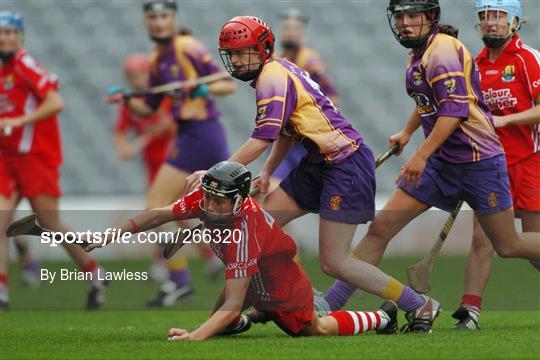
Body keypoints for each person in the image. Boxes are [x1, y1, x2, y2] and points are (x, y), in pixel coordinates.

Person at [186, 16, 441, 333]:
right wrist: (267, 171)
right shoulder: (275, 72)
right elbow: (286, 131)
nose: (236, 61)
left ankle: (420, 305)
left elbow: (262, 137)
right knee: (252, 230)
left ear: (264, 49)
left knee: (334, 261)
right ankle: (227, 318)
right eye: (232, 54)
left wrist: (214, 171)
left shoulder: (272, 78)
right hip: (316, 163)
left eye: (243, 52)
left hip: (344, 164)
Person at [322, 0, 540, 318]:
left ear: (431, 18)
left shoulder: (444, 51)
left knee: (507, 245)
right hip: (441, 164)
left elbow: (455, 110)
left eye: (413, 16)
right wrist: (407, 132)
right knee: (381, 228)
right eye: (400, 18)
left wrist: (419, 155)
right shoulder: (419, 55)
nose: (405, 24)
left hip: (480, 163)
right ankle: (329, 305)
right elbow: (430, 100)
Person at [85, 161, 399, 340]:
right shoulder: (206, 200)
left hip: (282, 285)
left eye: (219, 200)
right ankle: (254, 315)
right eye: (208, 197)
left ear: (238, 200)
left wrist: (194, 337)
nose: (209, 205)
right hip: (253, 275)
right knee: (228, 306)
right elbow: (156, 215)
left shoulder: (244, 233)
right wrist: (107, 236)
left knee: (312, 330)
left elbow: (233, 303)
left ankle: (382, 317)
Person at [107, 0, 236, 307]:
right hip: (189, 135)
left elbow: (225, 83)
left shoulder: (186, 45)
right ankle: (195, 275)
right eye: (152, 17)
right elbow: (148, 108)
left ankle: (181, 281)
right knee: (213, 211)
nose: (158, 22)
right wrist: (126, 100)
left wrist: (203, 89)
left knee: (159, 204)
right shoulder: (155, 60)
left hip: (202, 133)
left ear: (174, 20)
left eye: (164, 16)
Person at [0, 11, 108, 310]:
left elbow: (55, 101)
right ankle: (2, 291)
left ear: (20, 38)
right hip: (6, 159)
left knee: (49, 223)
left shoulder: (24, 64)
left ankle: (94, 271)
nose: (6, 38)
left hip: (35, 157)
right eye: (2, 33)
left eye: (11, 33)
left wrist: (20, 120)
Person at [452, 0, 540, 330]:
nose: (491, 23)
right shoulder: (474, 64)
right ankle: (469, 311)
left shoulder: (527, 59)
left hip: (529, 162)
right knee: (482, 238)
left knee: (532, 247)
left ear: (514, 22)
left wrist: (505, 121)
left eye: (499, 16)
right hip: (490, 166)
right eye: (485, 16)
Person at [114, 53, 176, 185]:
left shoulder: (164, 97)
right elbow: (119, 131)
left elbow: (182, 125)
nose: (138, 80)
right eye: (133, 76)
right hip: (152, 160)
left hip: (173, 157)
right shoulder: (130, 104)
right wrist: (124, 148)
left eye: (142, 74)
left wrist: (169, 125)